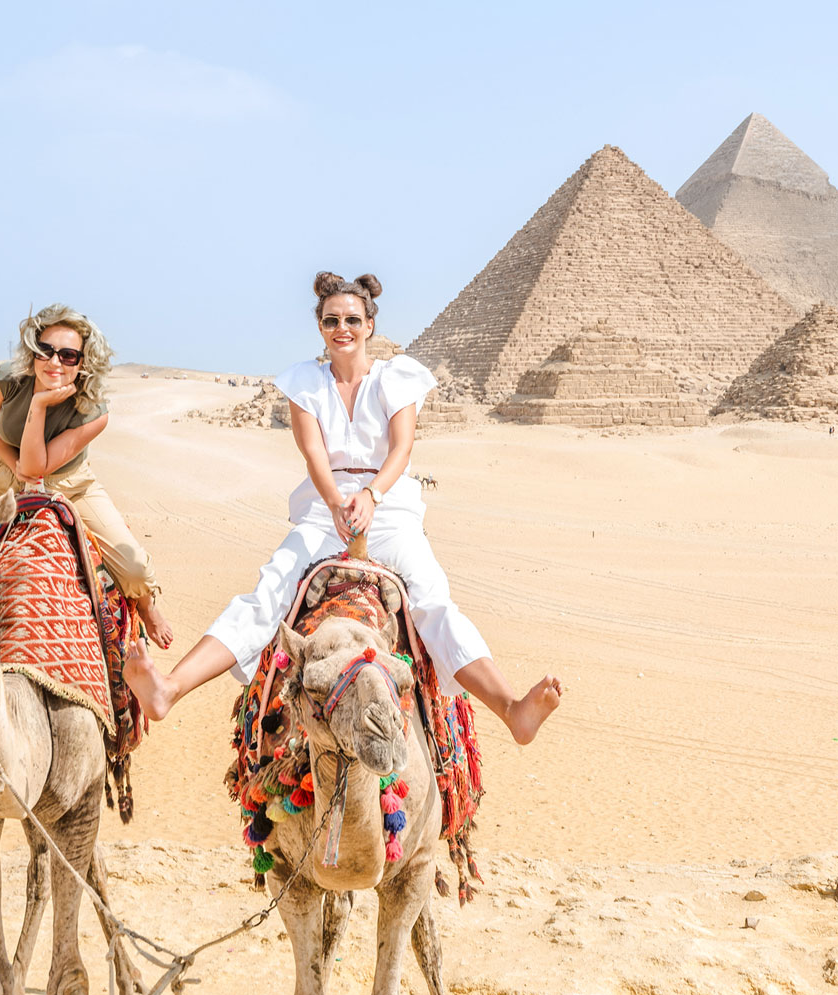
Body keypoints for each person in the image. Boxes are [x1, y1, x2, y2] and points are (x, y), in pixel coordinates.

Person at [124, 272, 561, 743]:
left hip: (388, 506)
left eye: (352, 319)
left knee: (433, 601)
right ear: (319, 326)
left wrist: (371, 497)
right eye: (331, 320)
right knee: (271, 590)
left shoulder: (397, 378)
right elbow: (314, 454)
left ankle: (511, 708)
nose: (342, 328)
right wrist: (337, 503)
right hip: (323, 507)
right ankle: (170, 688)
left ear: (370, 324)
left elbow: (402, 449)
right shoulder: (305, 384)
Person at [0, 303, 174, 647]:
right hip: (0, 473)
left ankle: (148, 606)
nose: (54, 362)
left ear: (83, 362)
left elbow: (37, 469)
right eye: (45, 351)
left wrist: (39, 405)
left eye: (68, 356)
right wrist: (10, 458)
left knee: (133, 567)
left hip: (69, 483)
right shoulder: (8, 378)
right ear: (32, 350)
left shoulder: (94, 411)